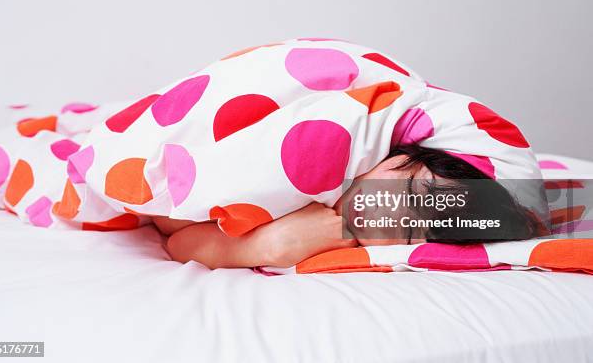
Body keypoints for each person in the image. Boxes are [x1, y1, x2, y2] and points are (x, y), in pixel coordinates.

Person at [157, 144, 542, 269]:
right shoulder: (325, 158)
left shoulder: (331, 237)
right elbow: (168, 217)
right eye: (409, 190)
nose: (385, 211)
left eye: (406, 230)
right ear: (397, 153)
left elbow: (179, 242)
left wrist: (263, 246)